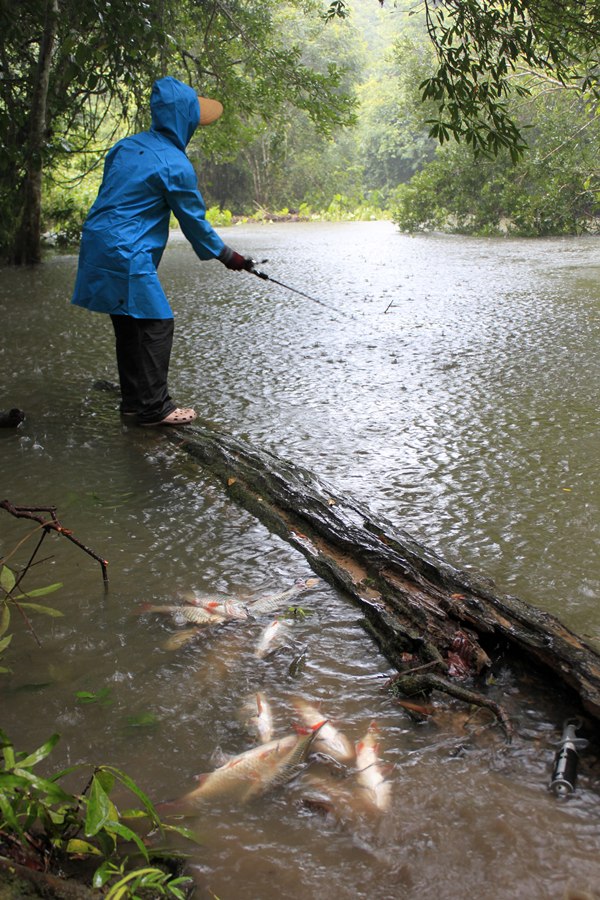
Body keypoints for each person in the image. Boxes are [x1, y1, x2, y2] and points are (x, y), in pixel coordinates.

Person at [71, 75, 254, 426]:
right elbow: (194, 223)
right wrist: (231, 257)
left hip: (96, 242)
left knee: (128, 324)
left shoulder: (124, 147)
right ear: (184, 119)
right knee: (158, 322)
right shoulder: (175, 164)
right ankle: (156, 408)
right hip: (127, 251)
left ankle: (132, 405)